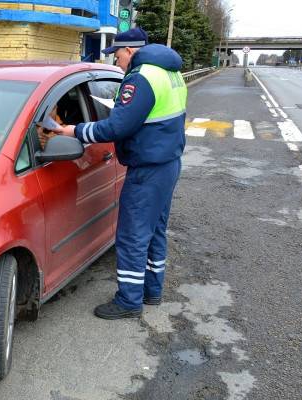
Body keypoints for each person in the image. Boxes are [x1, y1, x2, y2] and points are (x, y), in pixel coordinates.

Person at [55, 27, 187, 320]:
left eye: (117, 55)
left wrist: (74, 130)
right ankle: (152, 290)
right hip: (167, 163)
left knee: (131, 236)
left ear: (130, 51)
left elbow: (117, 128)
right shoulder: (170, 72)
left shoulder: (141, 78)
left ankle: (128, 300)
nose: (116, 63)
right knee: (154, 231)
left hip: (147, 170)